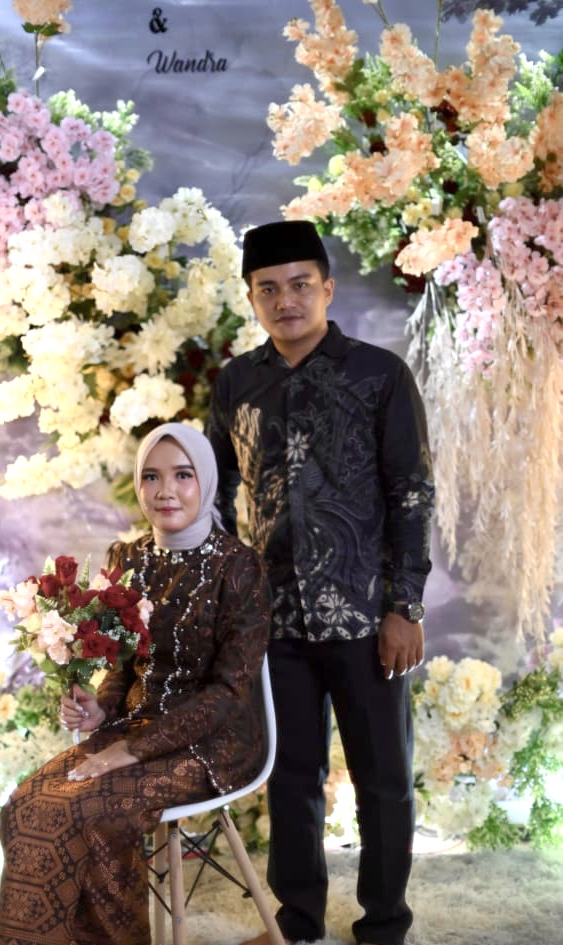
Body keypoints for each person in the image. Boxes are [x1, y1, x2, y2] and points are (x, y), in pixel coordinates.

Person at [206, 220, 435, 945]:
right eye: (267, 289)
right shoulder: (237, 382)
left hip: (367, 617)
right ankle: (297, 922)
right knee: (291, 779)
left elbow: (411, 492)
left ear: (327, 289)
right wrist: (228, 600)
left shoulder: (378, 375)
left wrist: (404, 606)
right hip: (275, 622)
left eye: (300, 284)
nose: (286, 300)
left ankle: (385, 924)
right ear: (252, 298)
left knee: (383, 781)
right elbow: (214, 494)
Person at [0, 422, 271, 945]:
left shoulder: (240, 568)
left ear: (206, 481)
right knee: (26, 805)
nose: (166, 491)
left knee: (92, 810)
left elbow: (230, 694)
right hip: (132, 727)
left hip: (214, 742)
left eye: (183, 475)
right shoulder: (128, 558)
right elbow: (123, 664)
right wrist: (100, 708)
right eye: (151, 477)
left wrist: (131, 751)